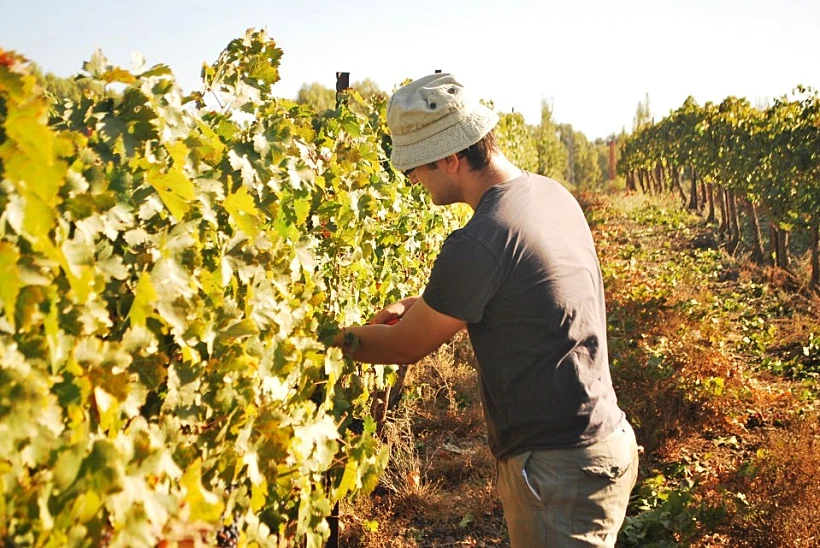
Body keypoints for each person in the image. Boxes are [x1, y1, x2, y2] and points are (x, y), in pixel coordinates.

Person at [333, 73, 639, 547]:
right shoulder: (549, 194)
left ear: (451, 159)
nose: (412, 181)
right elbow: (517, 290)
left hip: (560, 468)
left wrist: (320, 337)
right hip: (601, 441)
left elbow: (406, 345)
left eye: (415, 168)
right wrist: (417, 305)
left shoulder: (482, 238)